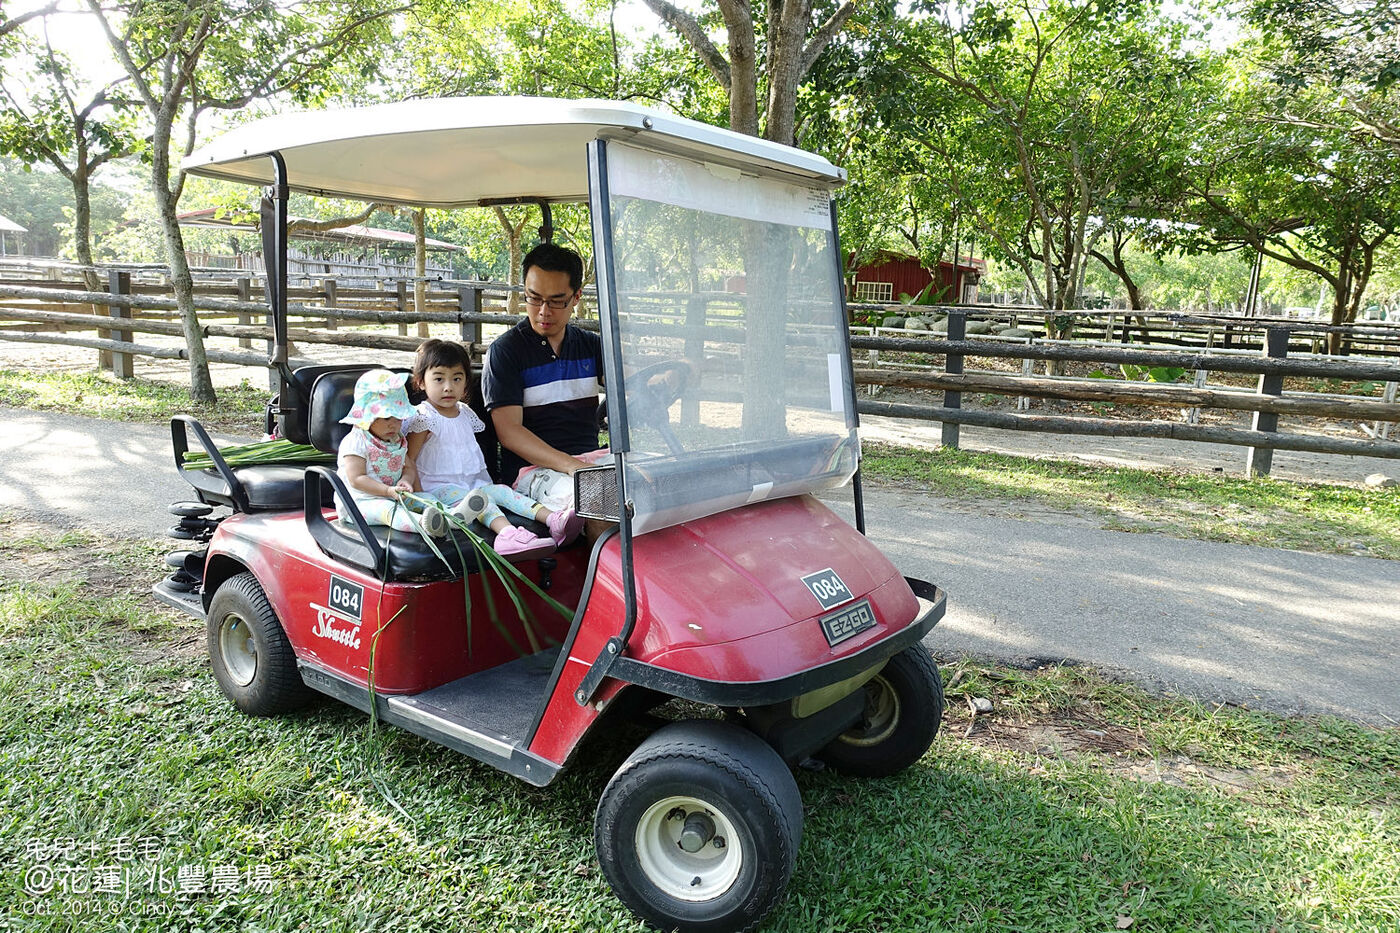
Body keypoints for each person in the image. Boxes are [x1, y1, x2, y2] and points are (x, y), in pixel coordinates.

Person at [406, 338, 583, 557]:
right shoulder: (425, 417)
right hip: (438, 488)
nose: (448, 387)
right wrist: (421, 497)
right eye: (439, 379)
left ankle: (552, 519)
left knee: (502, 491)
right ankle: (507, 535)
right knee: (482, 500)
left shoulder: (464, 412)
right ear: (421, 382)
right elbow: (409, 459)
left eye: (457, 378)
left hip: (470, 483)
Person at [481, 242, 605, 510]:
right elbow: (510, 432)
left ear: (576, 297)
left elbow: (629, 386)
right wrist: (572, 465)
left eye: (557, 301)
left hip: (589, 459)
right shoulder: (506, 352)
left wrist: (660, 380)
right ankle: (593, 554)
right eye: (534, 297)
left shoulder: (591, 346)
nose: (543, 311)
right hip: (531, 472)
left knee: (652, 483)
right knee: (598, 495)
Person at [335, 368, 451, 536]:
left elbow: (408, 466)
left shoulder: (397, 439)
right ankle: (424, 524)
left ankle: (454, 518)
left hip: (395, 495)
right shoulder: (356, 442)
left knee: (427, 500)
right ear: (367, 417)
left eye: (398, 418)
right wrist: (387, 492)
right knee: (388, 510)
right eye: (386, 418)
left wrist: (406, 480)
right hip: (362, 503)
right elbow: (357, 479)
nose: (393, 425)